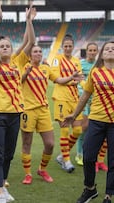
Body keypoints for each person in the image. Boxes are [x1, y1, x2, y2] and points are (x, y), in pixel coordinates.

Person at [0, 3, 35, 202]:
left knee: (9, 154)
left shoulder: (17, 62)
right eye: (2, 46)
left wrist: (29, 21)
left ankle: (3, 185)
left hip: (16, 114)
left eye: (8, 46)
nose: (5, 48)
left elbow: (31, 41)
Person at [20, 44, 81, 185]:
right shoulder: (23, 67)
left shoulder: (45, 68)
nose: (38, 53)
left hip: (43, 110)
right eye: (35, 51)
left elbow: (59, 80)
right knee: (27, 143)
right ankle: (28, 174)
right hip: (28, 110)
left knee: (50, 143)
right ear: (30, 55)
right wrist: (26, 74)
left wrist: (71, 77)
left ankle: (42, 169)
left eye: (40, 51)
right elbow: (18, 82)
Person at [63, 41, 114, 203]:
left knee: (113, 160)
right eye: (107, 49)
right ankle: (90, 189)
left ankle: (108, 195)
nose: (110, 50)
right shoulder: (95, 72)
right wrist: (74, 114)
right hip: (96, 120)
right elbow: (85, 95)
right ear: (102, 54)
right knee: (88, 156)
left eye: (113, 49)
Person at [52, 34, 83, 173]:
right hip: (61, 98)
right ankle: (66, 160)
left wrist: (72, 81)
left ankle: (61, 156)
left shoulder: (77, 61)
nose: (68, 48)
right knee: (64, 129)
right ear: (62, 47)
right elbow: (58, 79)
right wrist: (71, 79)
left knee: (77, 130)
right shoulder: (57, 60)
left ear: (73, 46)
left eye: (70, 46)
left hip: (75, 98)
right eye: (66, 46)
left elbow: (79, 79)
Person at [75, 42, 108, 172]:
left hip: (98, 102)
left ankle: (99, 160)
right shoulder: (81, 64)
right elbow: (78, 81)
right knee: (84, 128)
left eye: (95, 50)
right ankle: (79, 154)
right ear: (87, 51)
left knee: (102, 132)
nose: (93, 52)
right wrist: (82, 94)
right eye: (91, 50)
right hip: (85, 100)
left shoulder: (101, 66)